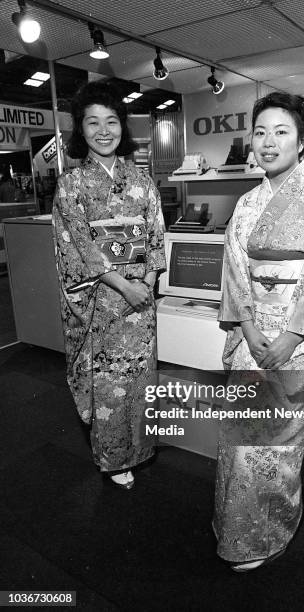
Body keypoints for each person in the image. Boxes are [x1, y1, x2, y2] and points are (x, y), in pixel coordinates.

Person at [213, 92, 304, 571]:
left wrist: (292, 338)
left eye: (281, 132)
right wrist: (250, 331)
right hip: (254, 339)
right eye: (260, 132)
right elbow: (235, 272)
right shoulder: (247, 203)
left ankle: (268, 530)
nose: (269, 142)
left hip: (299, 342)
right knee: (237, 440)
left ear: (301, 141)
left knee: (277, 445)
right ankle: (234, 528)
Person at [52, 81, 166, 489]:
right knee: (110, 383)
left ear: (123, 127)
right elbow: (78, 244)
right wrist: (126, 286)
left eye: (112, 121)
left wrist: (148, 282)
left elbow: (155, 234)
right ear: (80, 131)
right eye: (93, 122)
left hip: (141, 298)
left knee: (141, 378)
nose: (104, 131)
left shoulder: (142, 181)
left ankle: (142, 449)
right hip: (102, 300)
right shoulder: (71, 185)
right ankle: (116, 459)